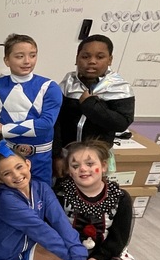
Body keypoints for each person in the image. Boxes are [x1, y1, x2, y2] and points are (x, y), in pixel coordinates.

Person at [55, 140, 160, 260]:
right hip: (66, 254)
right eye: (75, 165)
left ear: (103, 166)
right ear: (69, 171)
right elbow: (53, 231)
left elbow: (118, 240)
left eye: (90, 164)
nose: (83, 169)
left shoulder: (120, 198)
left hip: (102, 255)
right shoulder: (60, 194)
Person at [0, 33, 62, 186]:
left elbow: (45, 124)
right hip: (8, 155)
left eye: (32, 55)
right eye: (19, 56)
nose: (27, 61)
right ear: (7, 60)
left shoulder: (49, 87)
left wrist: (5, 129)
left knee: (39, 196)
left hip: (40, 157)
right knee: (6, 196)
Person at [54, 34, 135, 176]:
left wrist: (90, 104)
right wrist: (57, 155)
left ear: (110, 59)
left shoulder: (120, 88)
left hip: (97, 157)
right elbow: (56, 122)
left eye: (100, 57)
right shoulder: (67, 85)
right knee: (63, 193)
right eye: (85, 57)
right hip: (67, 155)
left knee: (92, 194)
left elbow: (121, 123)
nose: (92, 62)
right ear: (76, 58)